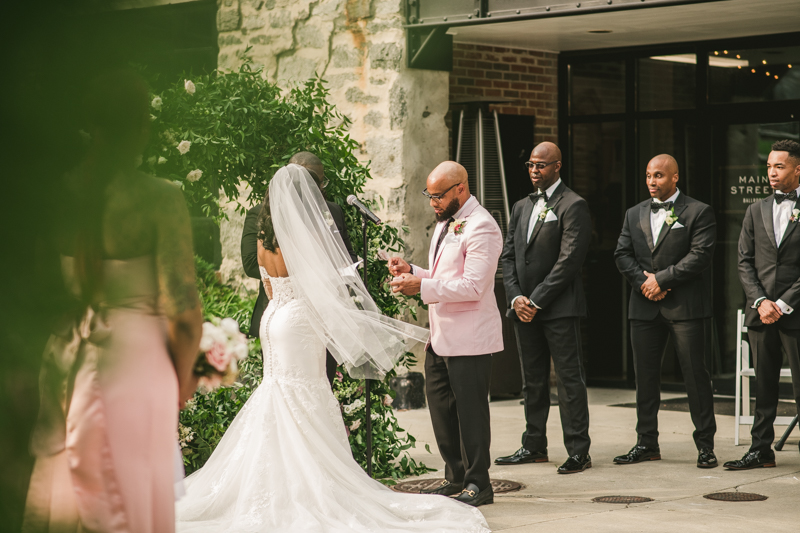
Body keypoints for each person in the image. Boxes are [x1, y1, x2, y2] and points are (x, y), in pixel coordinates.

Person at [176, 164, 490, 532]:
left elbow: (269, 288)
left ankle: (274, 484)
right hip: (299, 320)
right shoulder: (302, 235)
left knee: (277, 391)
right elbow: (322, 287)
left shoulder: (264, 238)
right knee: (307, 391)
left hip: (273, 318)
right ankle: (310, 485)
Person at [23, 70, 203, 532]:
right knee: (129, 498)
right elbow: (182, 310)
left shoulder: (60, 198)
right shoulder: (160, 199)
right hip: (137, 368)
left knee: (69, 493)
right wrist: (183, 379)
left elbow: (42, 292)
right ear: (141, 126)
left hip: (67, 357)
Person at [389, 161, 503, 507]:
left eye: (438, 195)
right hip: (440, 336)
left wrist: (420, 285)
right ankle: (455, 476)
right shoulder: (446, 224)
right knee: (441, 409)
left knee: (470, 412)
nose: (432, 202)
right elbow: (443, 274)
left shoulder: (482, 226)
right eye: (429, 195)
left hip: (469, 337)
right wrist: (413, 270)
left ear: (460, 189)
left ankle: (479, 483)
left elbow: (472, 286)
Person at [493, 142, 593, 475]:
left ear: (557, 167)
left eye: (541, 165)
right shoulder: (522, 206)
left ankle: (579, 450)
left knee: (568, 380)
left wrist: (536, 300)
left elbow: (569, 261)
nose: (535, 170)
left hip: (559, 308)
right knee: (532, 381)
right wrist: (516, 297)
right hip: (523, 308)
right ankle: (534, 445)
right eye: (531, 165)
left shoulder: (573, 204)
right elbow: (508, 256)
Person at [613, 154, 718, 469]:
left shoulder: (699, 211)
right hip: (643, 307)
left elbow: (701, 255)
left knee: (695, 376)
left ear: (675, 178)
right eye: (648, 175)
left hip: (686, 308)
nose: (651, 181)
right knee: (645, 379)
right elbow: (622, 253)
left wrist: (663, 279)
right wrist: (644, 282)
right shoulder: (634, 213)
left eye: (658, 175)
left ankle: (705, 446)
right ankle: (646, 443)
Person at [240, 151, 356, 385]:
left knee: (285, 388)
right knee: (309, 387)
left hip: (281, 313)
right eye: (316, 182)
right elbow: (251, 264)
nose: (321, 188)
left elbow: (346, 255)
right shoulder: (259, 216)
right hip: (302, 318)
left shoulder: (332, 211)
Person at [726, 139, 800, 469]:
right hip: (761, 314)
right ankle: (761, 450)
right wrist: (760, 301)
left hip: (795, 312)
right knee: (764, 386)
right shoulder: (755, 210)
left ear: (797, 169)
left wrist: (783, 303)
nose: (771, 172)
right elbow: (744, 261)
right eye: (769, 165)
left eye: (779, 166)